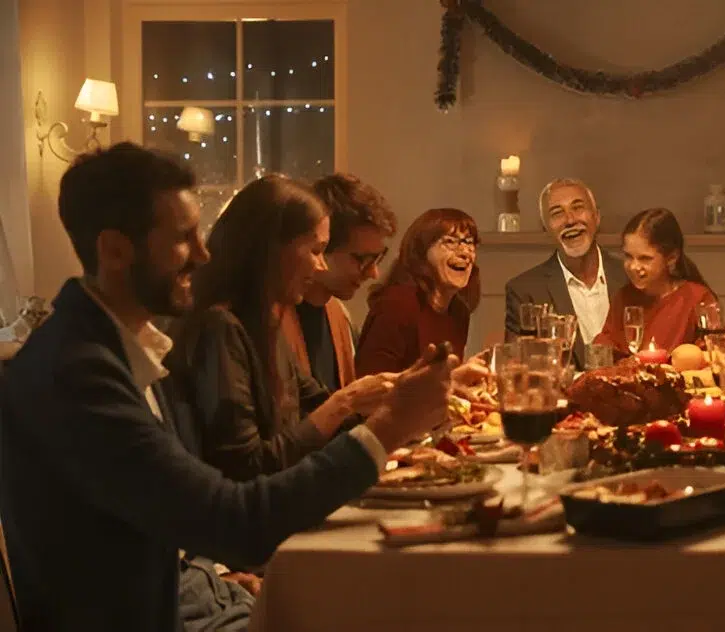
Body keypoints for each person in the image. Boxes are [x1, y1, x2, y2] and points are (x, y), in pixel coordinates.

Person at [0, 142, 454, 631]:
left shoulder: (125, 349)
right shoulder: (77, 373)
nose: (203, 253)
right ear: (114, 250)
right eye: (183, 237)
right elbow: (237, 522)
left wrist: (219, 579)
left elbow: (180, 523)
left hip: (200, 593)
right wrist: (389, 426)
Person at [167, 175, 402, 481]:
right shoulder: (220, 326)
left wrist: (411, 397)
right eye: (316, 251)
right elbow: (246, 466)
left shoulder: (264, 322)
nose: (321, 266)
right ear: (272, 249)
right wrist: (343, 404)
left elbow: (323, 409)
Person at [281, 173, 397, 391]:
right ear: (323, 248)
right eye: (362, 259)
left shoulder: (339, 316)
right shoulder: (273, 319)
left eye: (377, 258)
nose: (374, 273)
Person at [504, 178, 627, 367]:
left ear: (597, 217)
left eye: (578, 208)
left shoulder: (630, 277)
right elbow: (518, 368)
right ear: (546, 229)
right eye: (557, 213)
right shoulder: (524, 292)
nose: (570, 220)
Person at [356, 208, 480, 375]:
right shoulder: (396, 305)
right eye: (450, 242)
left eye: (469, 242)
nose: (465, 253)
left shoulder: (459, 312)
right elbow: (372, 385)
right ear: (421, 253)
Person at [593, 208, 716, 353]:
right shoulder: (623, 297)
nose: (633, 266)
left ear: (671, 258)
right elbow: (606, 345)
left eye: (645, 258)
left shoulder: (697, 299)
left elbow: (712, 355)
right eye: (628, 256)